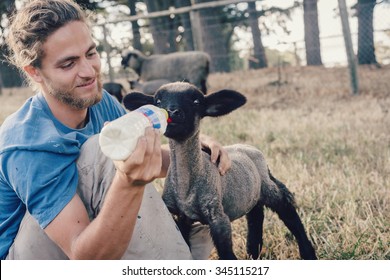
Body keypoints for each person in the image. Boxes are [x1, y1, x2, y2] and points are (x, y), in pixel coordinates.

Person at [0, 0, 231, 260]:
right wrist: (128, 182)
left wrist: (191, 149)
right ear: (34, 73)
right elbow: (85, 257)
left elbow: (143, 155)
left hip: (87, 234)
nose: (89, 72)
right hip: (27, 261)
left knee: (126, 152)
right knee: (102, 149)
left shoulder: (98, 101)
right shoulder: (26, 143)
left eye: (91, 53)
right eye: (68, 64)